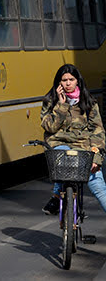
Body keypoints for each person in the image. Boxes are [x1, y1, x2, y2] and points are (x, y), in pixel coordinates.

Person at [40, 64, 106, 215]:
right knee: (62, 159)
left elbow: (98, 132)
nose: (68, 83)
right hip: (60, 144)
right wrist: (61, 105)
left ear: (78, 81)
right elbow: (49, 127)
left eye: (71, 79)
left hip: (84, 147)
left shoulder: (89, 102)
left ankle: (56, 198)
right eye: (64, 80)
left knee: (99, 187)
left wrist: (96, 157)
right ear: (59, 83)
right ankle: (57, 197)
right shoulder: (50, 101)